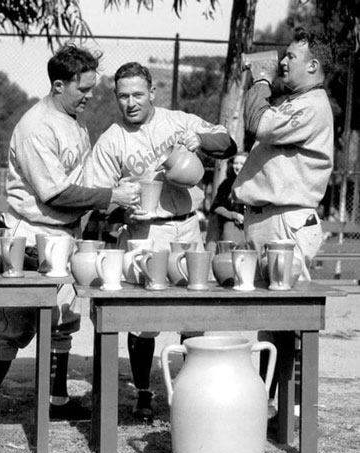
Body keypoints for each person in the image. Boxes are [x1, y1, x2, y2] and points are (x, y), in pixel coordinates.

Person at [0, 44, 140, 441]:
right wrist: (111, 197)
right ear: (59, 85)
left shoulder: (73, 118)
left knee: (63, 319)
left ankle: (58, 400)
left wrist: (113, 195)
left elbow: (80, 183)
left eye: (93, 88)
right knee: (13, 326)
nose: (91, 96)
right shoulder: (36, 125)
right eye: (84, 90)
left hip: (64, 235)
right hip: (29, 233)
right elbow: (55, 195)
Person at [90, 62, 237, 422]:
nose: (131, 103)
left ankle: (190, 391)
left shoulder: (177, 121)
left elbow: (229, 144)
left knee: (193, 313)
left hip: (186, 226)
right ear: (116, 98)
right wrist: (122, 213)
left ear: (152, 92)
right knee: (143, 319)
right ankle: (143, 393)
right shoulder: (112, 139)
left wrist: (199, 140)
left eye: (138, 94)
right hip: (144, 232)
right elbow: (97, 199)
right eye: (123, 96)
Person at [232, 27, 334, 416]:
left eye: (292, 56)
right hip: (267, 219)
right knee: (270, 319)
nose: (284, 61)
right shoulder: (297, 101)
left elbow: (260, 123)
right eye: (284, 55)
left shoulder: (311, 104)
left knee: (291, 319)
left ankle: (294, 410)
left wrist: (260, 78)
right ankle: (268, 404)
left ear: (313, 65)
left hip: (287, 222)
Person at [209, 152, 247, 245]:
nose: (237, 167)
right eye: (235, 163)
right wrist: (234, 215)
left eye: (242, 164)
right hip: (231, 227)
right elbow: (216, 207)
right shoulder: (226, 184)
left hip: (251, 228)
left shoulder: (254, 183)